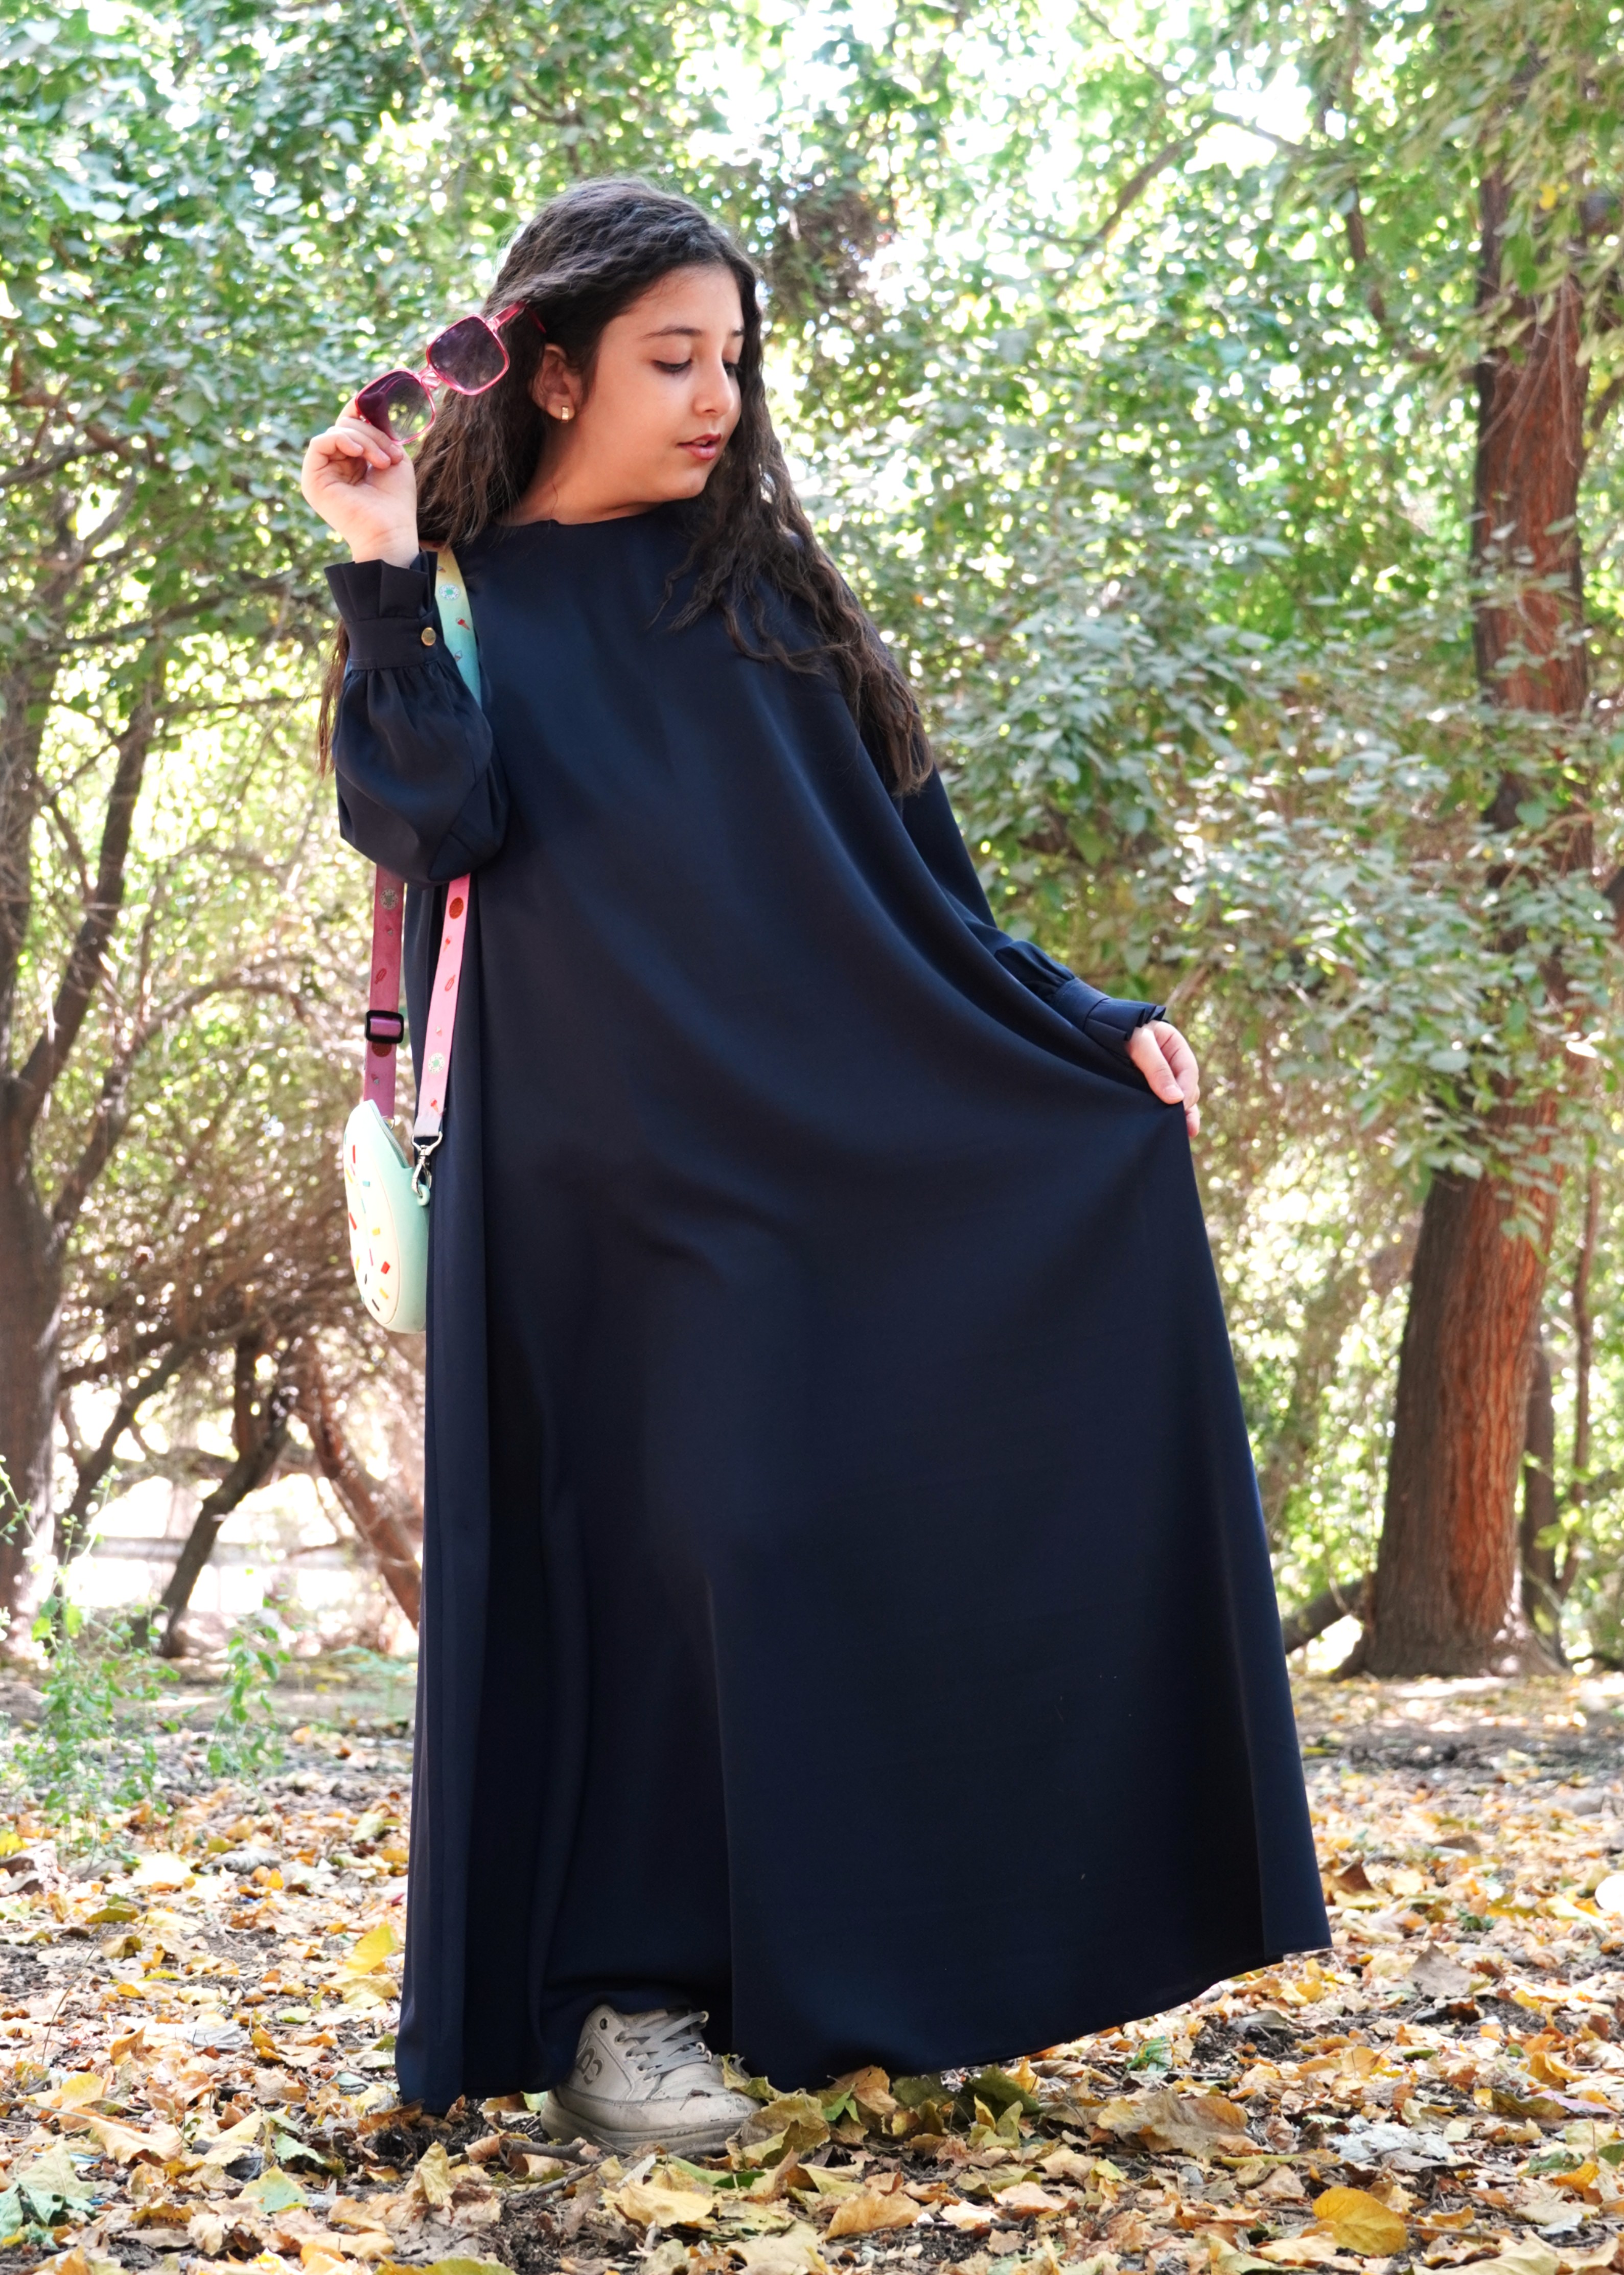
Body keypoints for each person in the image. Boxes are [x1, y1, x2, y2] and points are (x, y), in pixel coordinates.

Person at [300, 176, 1328, 2150]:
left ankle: (862, 1966)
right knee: (653, 1551)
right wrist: (377, 563)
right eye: (671, 360)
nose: (716, 399)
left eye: (733, 361)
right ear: (556, 370)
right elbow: (425, 825)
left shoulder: (767, 600)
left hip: (813, 1147)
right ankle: (618, 2002)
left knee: (789, 1539)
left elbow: (919, 886)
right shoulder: (463, 600)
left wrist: (1084, 1023)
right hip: (591, 1179)